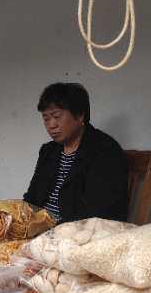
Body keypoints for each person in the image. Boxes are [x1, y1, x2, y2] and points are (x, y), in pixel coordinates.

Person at [24, 82, 128, 223]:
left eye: (56, 116)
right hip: (40, 228)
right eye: (46, 119)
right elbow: (32, 198)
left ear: (79, 115)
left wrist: (51, 230)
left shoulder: (105, 150)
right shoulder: (48, 151)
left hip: (79, 233)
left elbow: (97, 214)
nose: (51, 125)